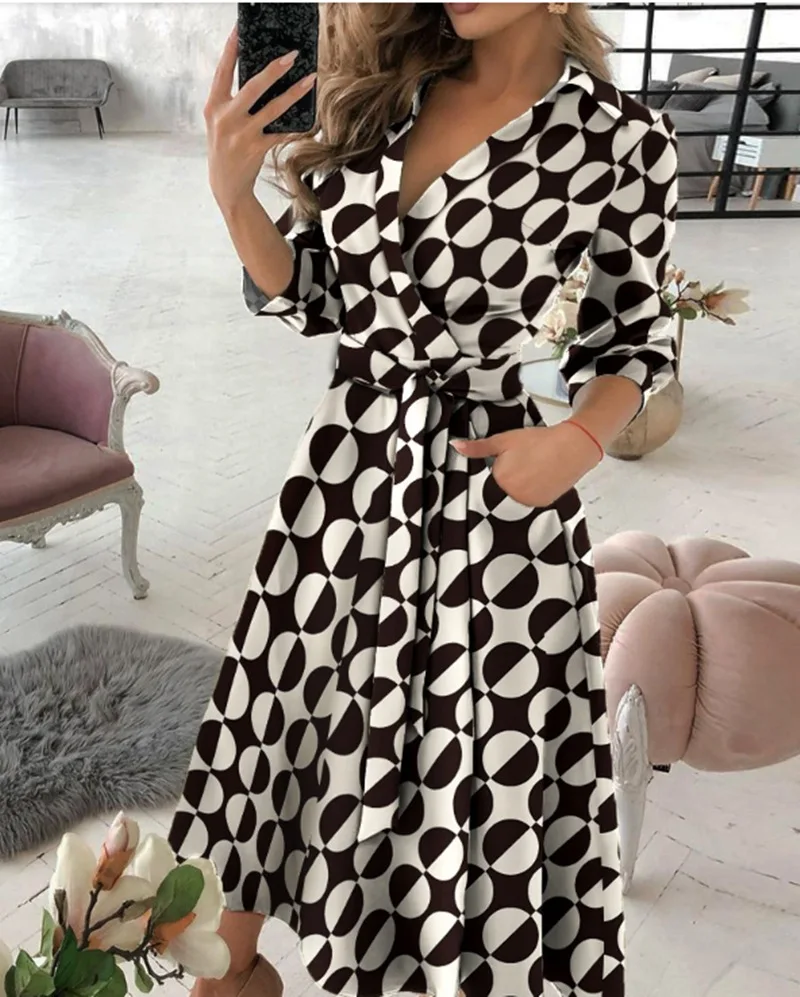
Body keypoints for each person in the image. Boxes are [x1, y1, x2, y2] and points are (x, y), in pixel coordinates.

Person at [169, 3, 678, 996]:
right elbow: (318, 294)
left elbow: (633, 339)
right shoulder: (386, 91)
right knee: (280, 741)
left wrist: (575, 442)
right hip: (342, 480)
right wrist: (233, 199)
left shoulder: (622, 138)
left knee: (457, 790)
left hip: (494, 504)